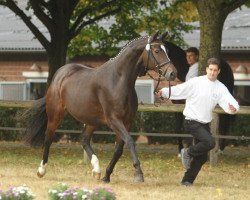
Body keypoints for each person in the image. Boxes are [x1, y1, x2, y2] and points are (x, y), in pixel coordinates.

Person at [156, 57, 239, 186]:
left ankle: (187, 181)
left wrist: (233, 108)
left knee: (202, 157)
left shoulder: (220, 87)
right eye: (210, 69)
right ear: (206, 69)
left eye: (215, 70)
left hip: (204, 124)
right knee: (210, 142)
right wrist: (165, 92)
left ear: (218, 72)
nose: (212, 72)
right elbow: (180, 89)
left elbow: (229, 101)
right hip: (191, 121)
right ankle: (187, 152)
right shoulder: (196, 82)